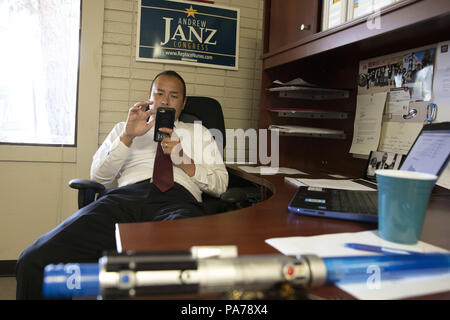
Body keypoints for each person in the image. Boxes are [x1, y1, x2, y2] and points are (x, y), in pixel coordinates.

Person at [15, 70, 229, 299]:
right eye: (159, 93)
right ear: (150, 96)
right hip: (125, 200)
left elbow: (221, 184)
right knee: (34, 260)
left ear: (183, 103)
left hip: (177, 201)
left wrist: (184, 160)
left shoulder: (200, 133)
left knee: (195, 268)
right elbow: (98, 177)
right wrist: (128, 137)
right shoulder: (125, 128)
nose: (165, 100)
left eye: (174, 95)